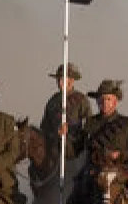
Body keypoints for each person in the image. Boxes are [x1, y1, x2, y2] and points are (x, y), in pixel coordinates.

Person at [39, 62, 92, 190]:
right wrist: (55, 133)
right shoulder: (52, 101)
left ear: (72, 81)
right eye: (59, 79)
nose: (60, 82)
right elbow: (44, 127)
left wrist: (71, 131)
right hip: (54, 151)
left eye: (64, 79)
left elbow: (89, 126)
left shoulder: (81, 100)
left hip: (75, 151)